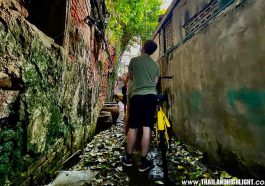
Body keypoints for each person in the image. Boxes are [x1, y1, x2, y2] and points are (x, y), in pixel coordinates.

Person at [120, 40, 159, 172]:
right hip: (151, 97)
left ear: (143, 48)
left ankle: (128, 158)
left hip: (137, 96)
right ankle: (143, 161)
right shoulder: (156, 65)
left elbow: (131, 77)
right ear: (152, 51)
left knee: (133, 128)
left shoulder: (134, 61)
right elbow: (155, 82)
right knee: (147, 127)